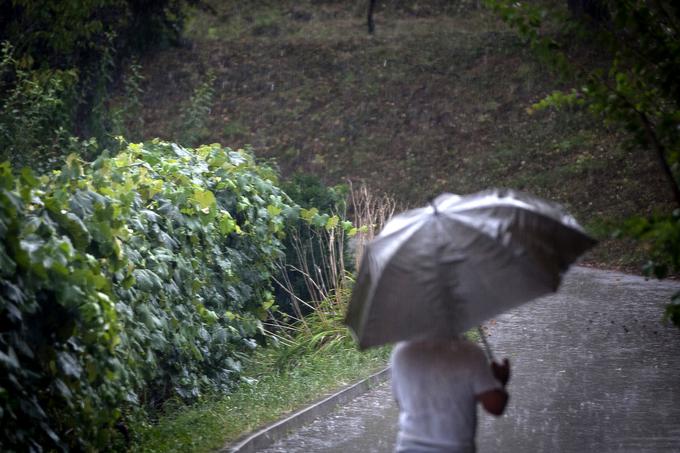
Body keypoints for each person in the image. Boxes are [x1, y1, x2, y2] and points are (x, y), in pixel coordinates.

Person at [390, 336, 510, 453]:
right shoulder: (469, 352)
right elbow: (495, 406)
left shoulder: (401, 352)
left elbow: (401, 403)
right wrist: (499, 383)